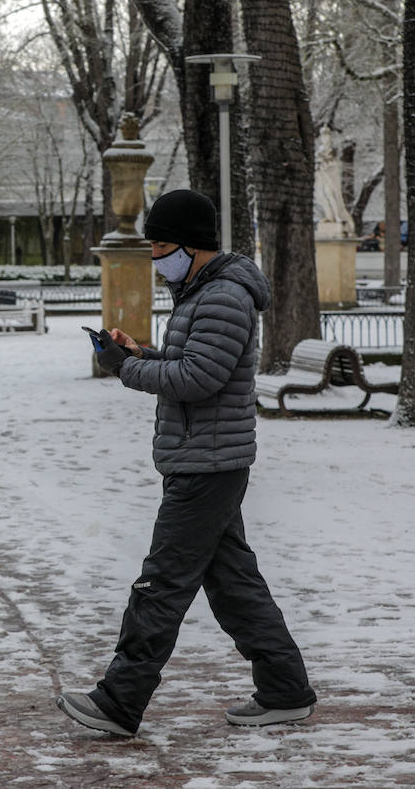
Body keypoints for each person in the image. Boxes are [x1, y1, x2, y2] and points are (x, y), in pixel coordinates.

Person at [56, 188, 317, 738]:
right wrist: (137, 355)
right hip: (205, 459)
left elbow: (199, 379)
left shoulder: (222, 296)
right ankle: (285, 691)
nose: (155, 256)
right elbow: (187, 364)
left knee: (162, 584)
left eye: (162, 244)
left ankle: (118, 701)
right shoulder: (202, 293)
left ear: (193, 246)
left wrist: (123, 371)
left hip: (208, 465)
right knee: (234, 586)